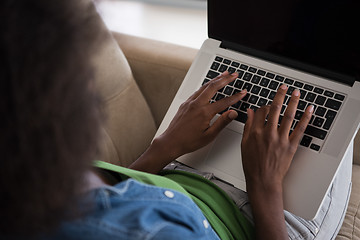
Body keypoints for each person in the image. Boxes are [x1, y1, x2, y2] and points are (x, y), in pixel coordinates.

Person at [0, 0, 350, 239]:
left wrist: (163, 148)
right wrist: (266, 185)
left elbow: (118, 196)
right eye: (81, 78)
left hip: (180, 176)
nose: (93, 86)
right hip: (264, 215)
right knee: (338, 84)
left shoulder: (37, 177)